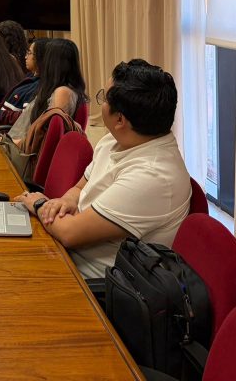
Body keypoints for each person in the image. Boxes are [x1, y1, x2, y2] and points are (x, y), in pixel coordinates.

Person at [15, 59, 191, 279]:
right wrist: (67, 200)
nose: (102, 104)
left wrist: (40, 203)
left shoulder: (153, 176)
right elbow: (81, 186)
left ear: (120, 119)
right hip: (64, 252)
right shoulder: (117, 140)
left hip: (89, 282)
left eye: (104, 98)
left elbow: (69, 233)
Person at [7, 38, 85, 144]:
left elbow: (48, 134)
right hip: (17, 143)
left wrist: (15, 143)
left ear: (52, 62)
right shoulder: (51, 87)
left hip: (22, 149)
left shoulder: (62, 92)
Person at [0, 37, 51, 131]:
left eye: (29, 53)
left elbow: (25, 118)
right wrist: (0, 108)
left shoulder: (40, 86)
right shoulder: (31, 77)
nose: (25, 57)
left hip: (1, 131)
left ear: (40, 57)